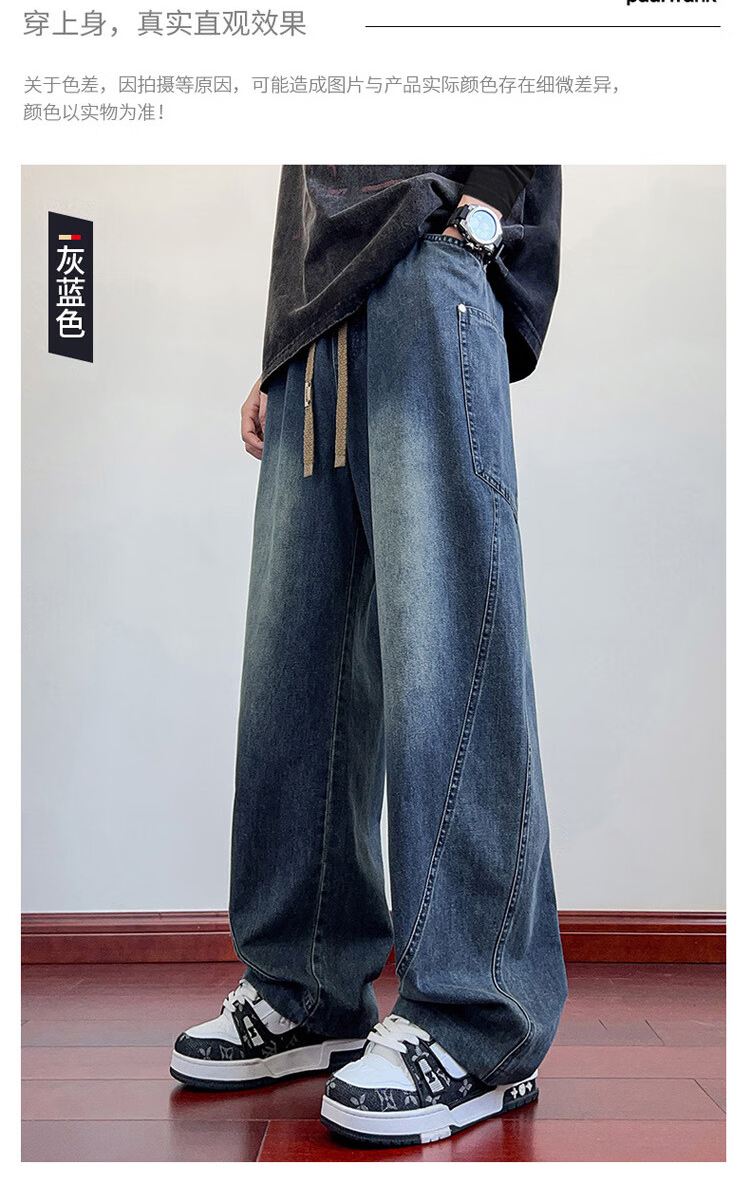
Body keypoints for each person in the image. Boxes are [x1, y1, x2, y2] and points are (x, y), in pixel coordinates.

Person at [170, 166, 568, 1148]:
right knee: (293, 668)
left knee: (445, 649)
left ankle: (478, 1018)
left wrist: (478, 220)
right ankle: (304, 985)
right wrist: (283, 342)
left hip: (430, 262)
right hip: (317, 318)